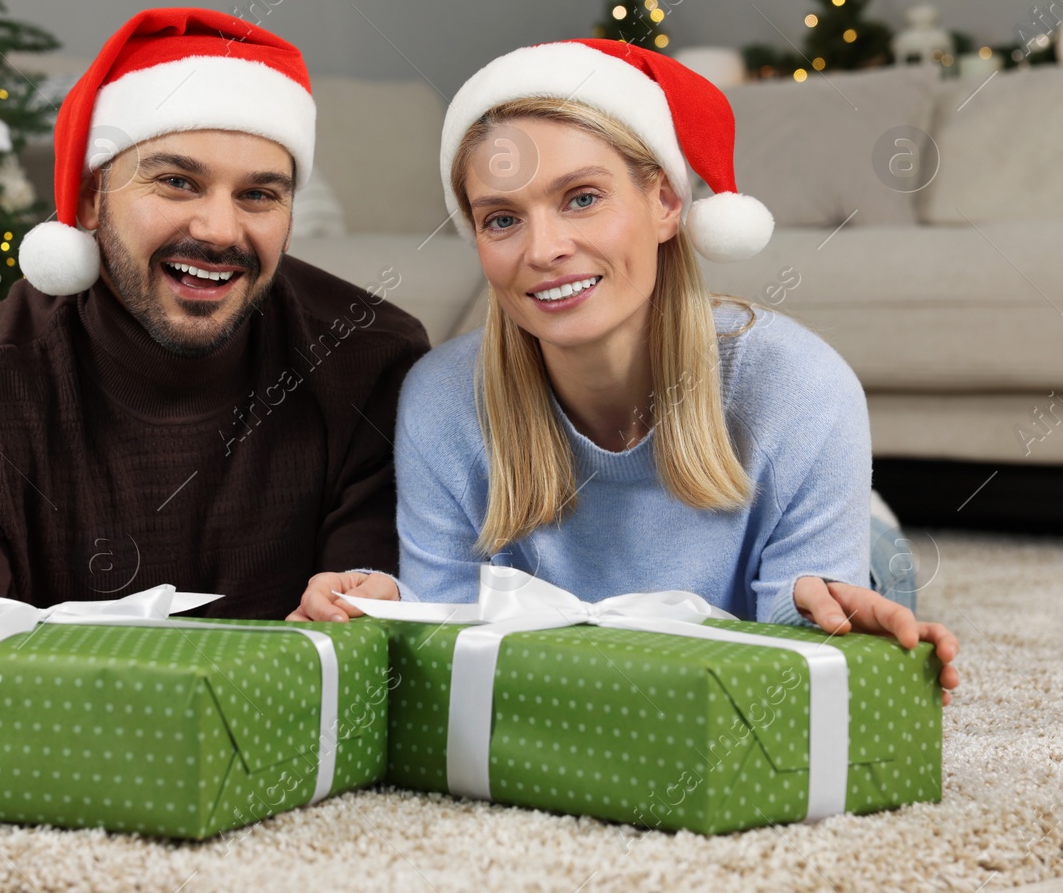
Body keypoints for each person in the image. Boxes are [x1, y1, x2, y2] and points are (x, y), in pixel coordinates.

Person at [0, 7, 429, 824]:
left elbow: (379, 650)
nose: (219, 229)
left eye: (259, 195)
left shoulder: (370, 360)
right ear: (90, 195)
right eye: (176, 181)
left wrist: (353, 612)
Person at [289, 38, 959, 706]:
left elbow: (788, 674)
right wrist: (386, 602)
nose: (545, 249)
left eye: (581, 198)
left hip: (804, 554)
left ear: (667, 202)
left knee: (875, 578)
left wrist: (814, 607)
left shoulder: (801, 385)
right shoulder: (441, 397)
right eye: (502, 218)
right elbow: (443, 652)